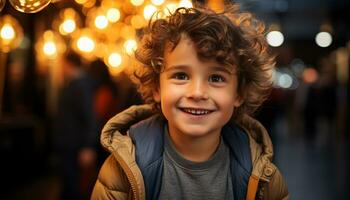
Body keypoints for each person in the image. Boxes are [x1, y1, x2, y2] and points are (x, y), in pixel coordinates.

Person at [91, 3, 289, 200]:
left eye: (216, 78)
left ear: (239, 93)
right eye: (181, 76)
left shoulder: (264, 178)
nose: (197, 92)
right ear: (157, 88)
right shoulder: (120, 172)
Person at [54, 51, 98, 200]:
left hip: (75, 144)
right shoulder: (75, 83)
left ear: (68, 64)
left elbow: (90, 116)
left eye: (62, 64)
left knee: (74, 187)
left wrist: (88, 146)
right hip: (70, 143)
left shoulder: (81, 85)